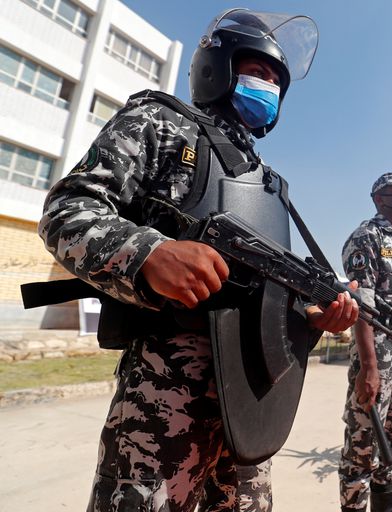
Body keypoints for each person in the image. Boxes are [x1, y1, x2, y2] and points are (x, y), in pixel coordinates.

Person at [37, 10, 360, 511]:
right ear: (218, 66)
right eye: (260, 70)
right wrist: (149, 253)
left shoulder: (269, 184)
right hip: (163, 403)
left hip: (249, 406)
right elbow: (67, 210)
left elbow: (268, 295)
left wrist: (311, 318)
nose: (269, 85)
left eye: (277, 80)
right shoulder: (160, 123)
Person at [339, 172, 392, 512]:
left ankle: (386, 504)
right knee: (362, 448)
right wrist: (369, 367)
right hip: (379, 350)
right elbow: (362, 305)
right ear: (379, 198)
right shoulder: (366, 237)